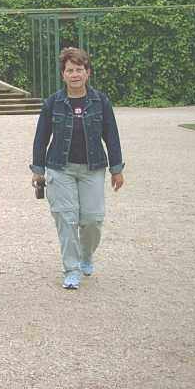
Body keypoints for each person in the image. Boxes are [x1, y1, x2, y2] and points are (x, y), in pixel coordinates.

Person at [31, 47, 124, 290]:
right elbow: (41, 137)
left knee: (92, 219)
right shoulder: (52, 103)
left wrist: (117, 168)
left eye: (79, 70)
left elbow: (111, 135)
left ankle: (86, 255)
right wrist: (38, 169)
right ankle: (71, 269)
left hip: (92, 168)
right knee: (66, 219)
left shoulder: (100, 101)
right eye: (70, 70)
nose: (75, 74)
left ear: (87, 73)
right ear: (63, 74)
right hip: (60, 169)